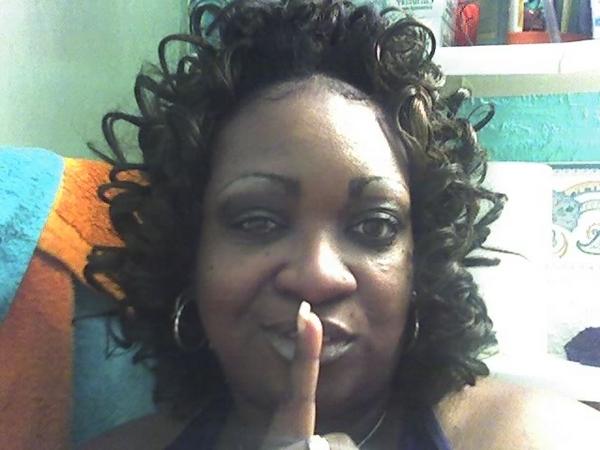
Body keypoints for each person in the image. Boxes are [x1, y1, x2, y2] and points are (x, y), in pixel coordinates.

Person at [83, 0, 600, 448]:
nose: (317, 275)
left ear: (421, 263)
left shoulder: (547, 437)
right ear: (188, 253)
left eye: (374, 227)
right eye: (258, 221)